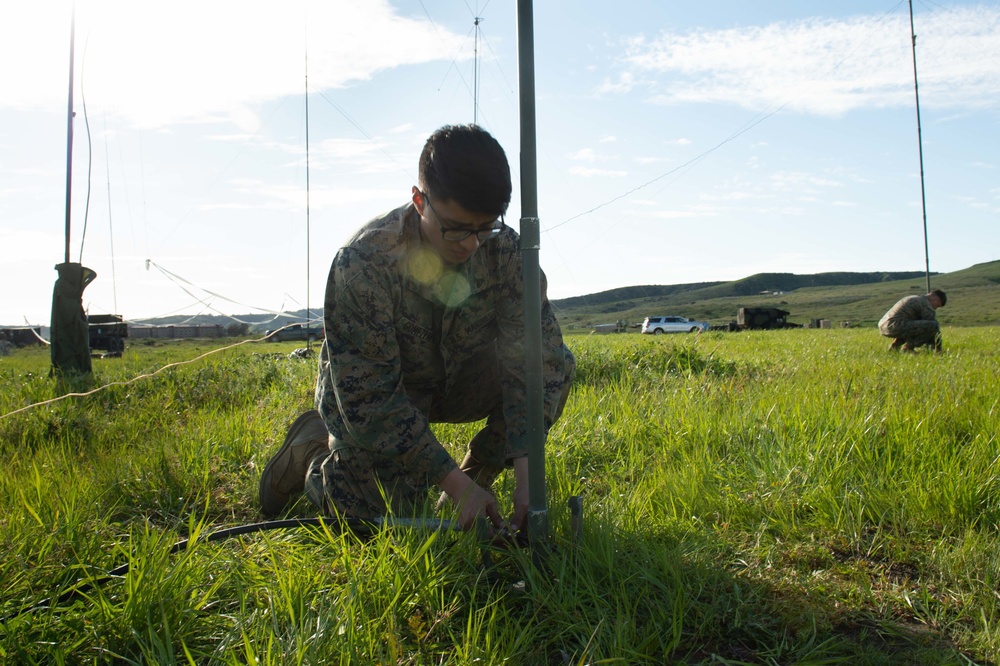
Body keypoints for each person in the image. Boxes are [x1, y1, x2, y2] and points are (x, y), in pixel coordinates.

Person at [258, 124, 575, 537]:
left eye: (484, 228)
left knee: (554, 370)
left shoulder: (508, 252)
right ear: (418, 199)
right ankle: (312, 453)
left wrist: (527, 478)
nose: (471, 244)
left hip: (461, 380)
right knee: (366, 520)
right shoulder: (365, 264)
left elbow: (536, 361)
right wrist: (448, 479)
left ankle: (475, 479)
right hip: (388, 394)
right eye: (457, 228)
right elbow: (369, 401)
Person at [878, 288, 947, 352]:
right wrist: (938, 348)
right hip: (895, 325)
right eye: (937, 305)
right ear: (936, 299)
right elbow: (933, 328)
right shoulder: (925, 304)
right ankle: (908, 348)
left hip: (884, 326)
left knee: (914, 326)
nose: (935, 308)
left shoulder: (913, 297)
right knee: (933, 325)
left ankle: (895, 346)